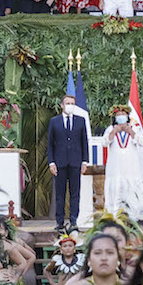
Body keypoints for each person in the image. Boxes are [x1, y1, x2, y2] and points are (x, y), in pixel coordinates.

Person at [46, 93, 88, 231]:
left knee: (75, 193)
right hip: (59, 163)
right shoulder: (54, 121)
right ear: (62, 105)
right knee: (60, 194)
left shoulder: (80, 121)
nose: (70, 106)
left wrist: (85, 161)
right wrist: (51, 162)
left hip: (76, 162)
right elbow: (50, 144)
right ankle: (59, 222)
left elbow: (84, 142)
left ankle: (74, 221)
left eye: (72, 104)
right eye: (67, 103)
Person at [101, 107, 143, 219]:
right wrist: (113, 132)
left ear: (127, 116)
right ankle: (112, 217)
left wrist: (130, 132)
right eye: (118, 115)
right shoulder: (110, 129)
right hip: (115, 169)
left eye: (123, 114)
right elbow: (104, 143)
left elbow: (142, 142)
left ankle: (138, 217)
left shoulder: (135, 128)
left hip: (131, 169)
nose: (121, 117)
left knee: (133, 192)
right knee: (114, 192)